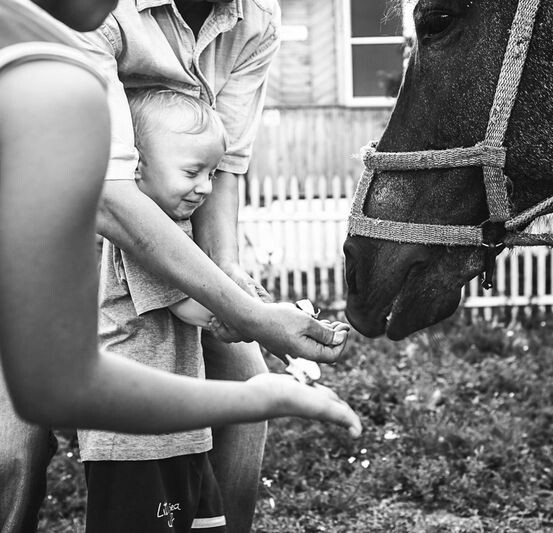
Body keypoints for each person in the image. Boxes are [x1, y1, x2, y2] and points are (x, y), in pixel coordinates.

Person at [0, 2, 361, 532]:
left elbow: (227, 162)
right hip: (47, 231)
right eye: (194, 172)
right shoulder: (66, 38)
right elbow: (112, 196)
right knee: (12, 449)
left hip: (140, 250)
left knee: (244, 408)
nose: (204, 185)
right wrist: (249, 316)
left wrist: (229, 274)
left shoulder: (254, 18)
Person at [79, 88, 351, 532]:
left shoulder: (179, 228)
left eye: (211, 172)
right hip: (132, 439)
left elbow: (214, 299)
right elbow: (196, 309)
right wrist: (261, 315)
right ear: (137, 167)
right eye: (192, 172)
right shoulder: (147, 236)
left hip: (180, 429)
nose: (205, 187)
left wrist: (252, 307)